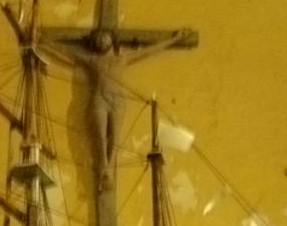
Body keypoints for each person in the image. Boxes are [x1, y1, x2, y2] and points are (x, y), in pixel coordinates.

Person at [40, 28, 191, 190]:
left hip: (117, 102)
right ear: (93, 44)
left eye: (104, 37)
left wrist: (173, 40)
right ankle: (104, 169)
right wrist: (43, 41)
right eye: (97, 38)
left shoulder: (122, 59)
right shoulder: (91, 60)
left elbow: (148, 51)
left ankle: (108, 171)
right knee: (100, 140)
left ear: (112, 41)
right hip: (99, 100)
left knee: (115, 139)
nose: (101, 40)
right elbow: (66, 52)